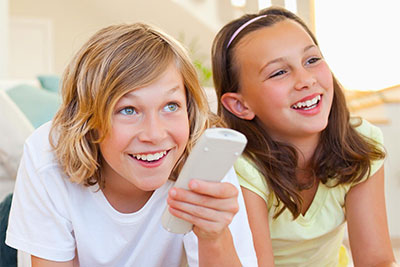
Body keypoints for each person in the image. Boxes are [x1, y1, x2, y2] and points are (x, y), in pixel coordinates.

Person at [6, 23, 257, 266]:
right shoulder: (46, 154)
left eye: (171, 106)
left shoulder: (204, 157)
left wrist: (214, 235)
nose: (155, 134)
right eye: (128, 110)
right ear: (89, 120)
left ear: (189, 110)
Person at [211, 6, 398, 267]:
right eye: (279, 72)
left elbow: (376, 260)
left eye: (311, 60)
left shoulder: (361, 141)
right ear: (240, 105)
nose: (306, 80)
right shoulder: (242, 168)